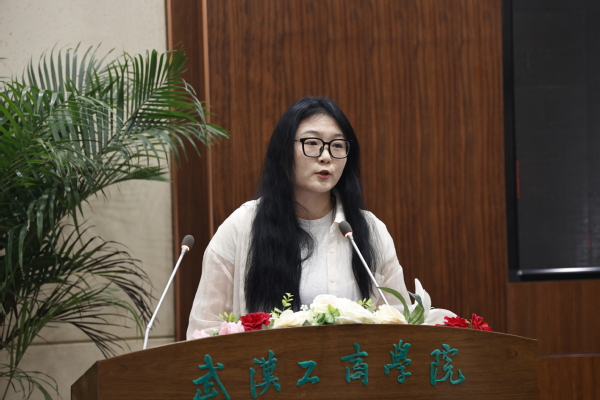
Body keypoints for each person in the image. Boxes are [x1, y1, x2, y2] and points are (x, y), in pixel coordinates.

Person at [186, 97, 410, 338]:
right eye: (312, 143)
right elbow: (204, 330)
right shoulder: (241, 227)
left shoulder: (370, 230)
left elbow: (401, 323)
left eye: (337, 145)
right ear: (283, 151)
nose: (326, 156)